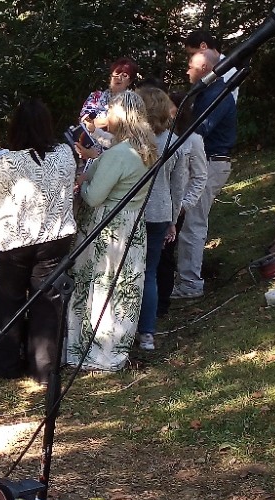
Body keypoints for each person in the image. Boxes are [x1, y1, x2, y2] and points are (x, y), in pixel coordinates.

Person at [0, 99, 77, 383]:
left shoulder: (8, 162)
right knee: (47, 302)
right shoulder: (66, 154)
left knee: (8, 301)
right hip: (55, 236)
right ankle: (43, 369)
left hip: (15, 240)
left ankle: (5, 365)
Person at [66, 90, 157, 372]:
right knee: (122, 287)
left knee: (99, 284)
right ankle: (115, 347)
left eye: (110, 111)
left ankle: (92, 350)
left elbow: (94, 197)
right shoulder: (146, 150)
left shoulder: (118, 154)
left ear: (122, 116)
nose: (105, 116)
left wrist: (83, 181)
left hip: (107, 226)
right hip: (132, 225)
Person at [172, 49, 237, 300]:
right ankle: (185, 278)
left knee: (193, 222)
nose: (187, 69)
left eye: (191, 65)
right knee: (189, 220)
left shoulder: (216, 95)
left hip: (210, 164)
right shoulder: (207, 93)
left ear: (204, 68)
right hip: (206, 162)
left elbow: (200, 130)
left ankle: (190, 284)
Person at [133, 87, 188, 352]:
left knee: (128, 270)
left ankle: (125, 328)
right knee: (149, 272)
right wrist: (173, 219)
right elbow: (178, 186)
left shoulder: (131, 141)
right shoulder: (174, 141)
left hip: (133, 212)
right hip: (160, 212)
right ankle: (147, 333)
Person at [156, 94, 208, 318]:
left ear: (179, 110)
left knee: (165, 254)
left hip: (175, 206)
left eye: (169, 106)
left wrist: (185, 204)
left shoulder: (193, 139)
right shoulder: (157, 137)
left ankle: (161, 305)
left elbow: (200, 177)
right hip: (155, 204)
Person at [79, 58, 138, 143]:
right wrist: (111, 121)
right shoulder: (96, 96)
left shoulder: (132, 102)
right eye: (117, 73)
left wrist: (97, 123)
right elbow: (84, 121)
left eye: (125, 75)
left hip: (116, 147)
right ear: (111, 76)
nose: (119, 77)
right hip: (88, 143)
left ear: (130, 81)